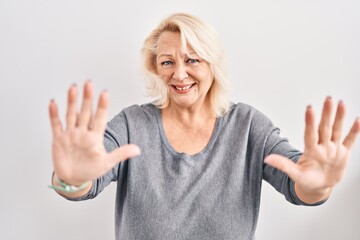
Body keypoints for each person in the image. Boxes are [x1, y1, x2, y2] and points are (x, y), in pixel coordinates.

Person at [48, 13, 360, 240]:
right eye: (167, 62)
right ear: (155, 68)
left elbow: (299, 182)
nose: (179, 74)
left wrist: (318, 185)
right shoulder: (131, 125)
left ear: (213, 64)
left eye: (193, 60)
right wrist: (71, 180)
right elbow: (82, 183)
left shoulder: (249, 126)